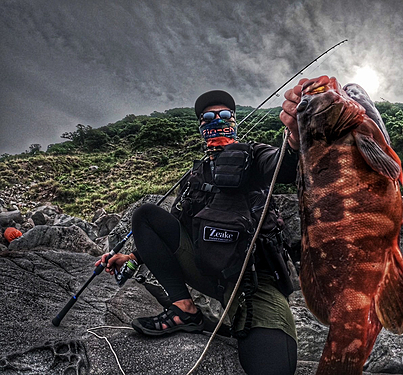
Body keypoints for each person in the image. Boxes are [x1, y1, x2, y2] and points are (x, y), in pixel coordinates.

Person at [97, 87, 303, 375]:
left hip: (254, 283)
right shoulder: (195, 176)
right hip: (209, 272)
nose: (217, 120)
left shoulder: (255, 155)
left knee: (272, 369)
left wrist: (295, 134)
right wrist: (132, 258)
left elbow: (287, 165)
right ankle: (184, 309)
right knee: (146, 215)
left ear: (234, 121)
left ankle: (236, 319)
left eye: (224, 115)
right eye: (209, 116)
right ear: (201, 127)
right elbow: (173, 230)